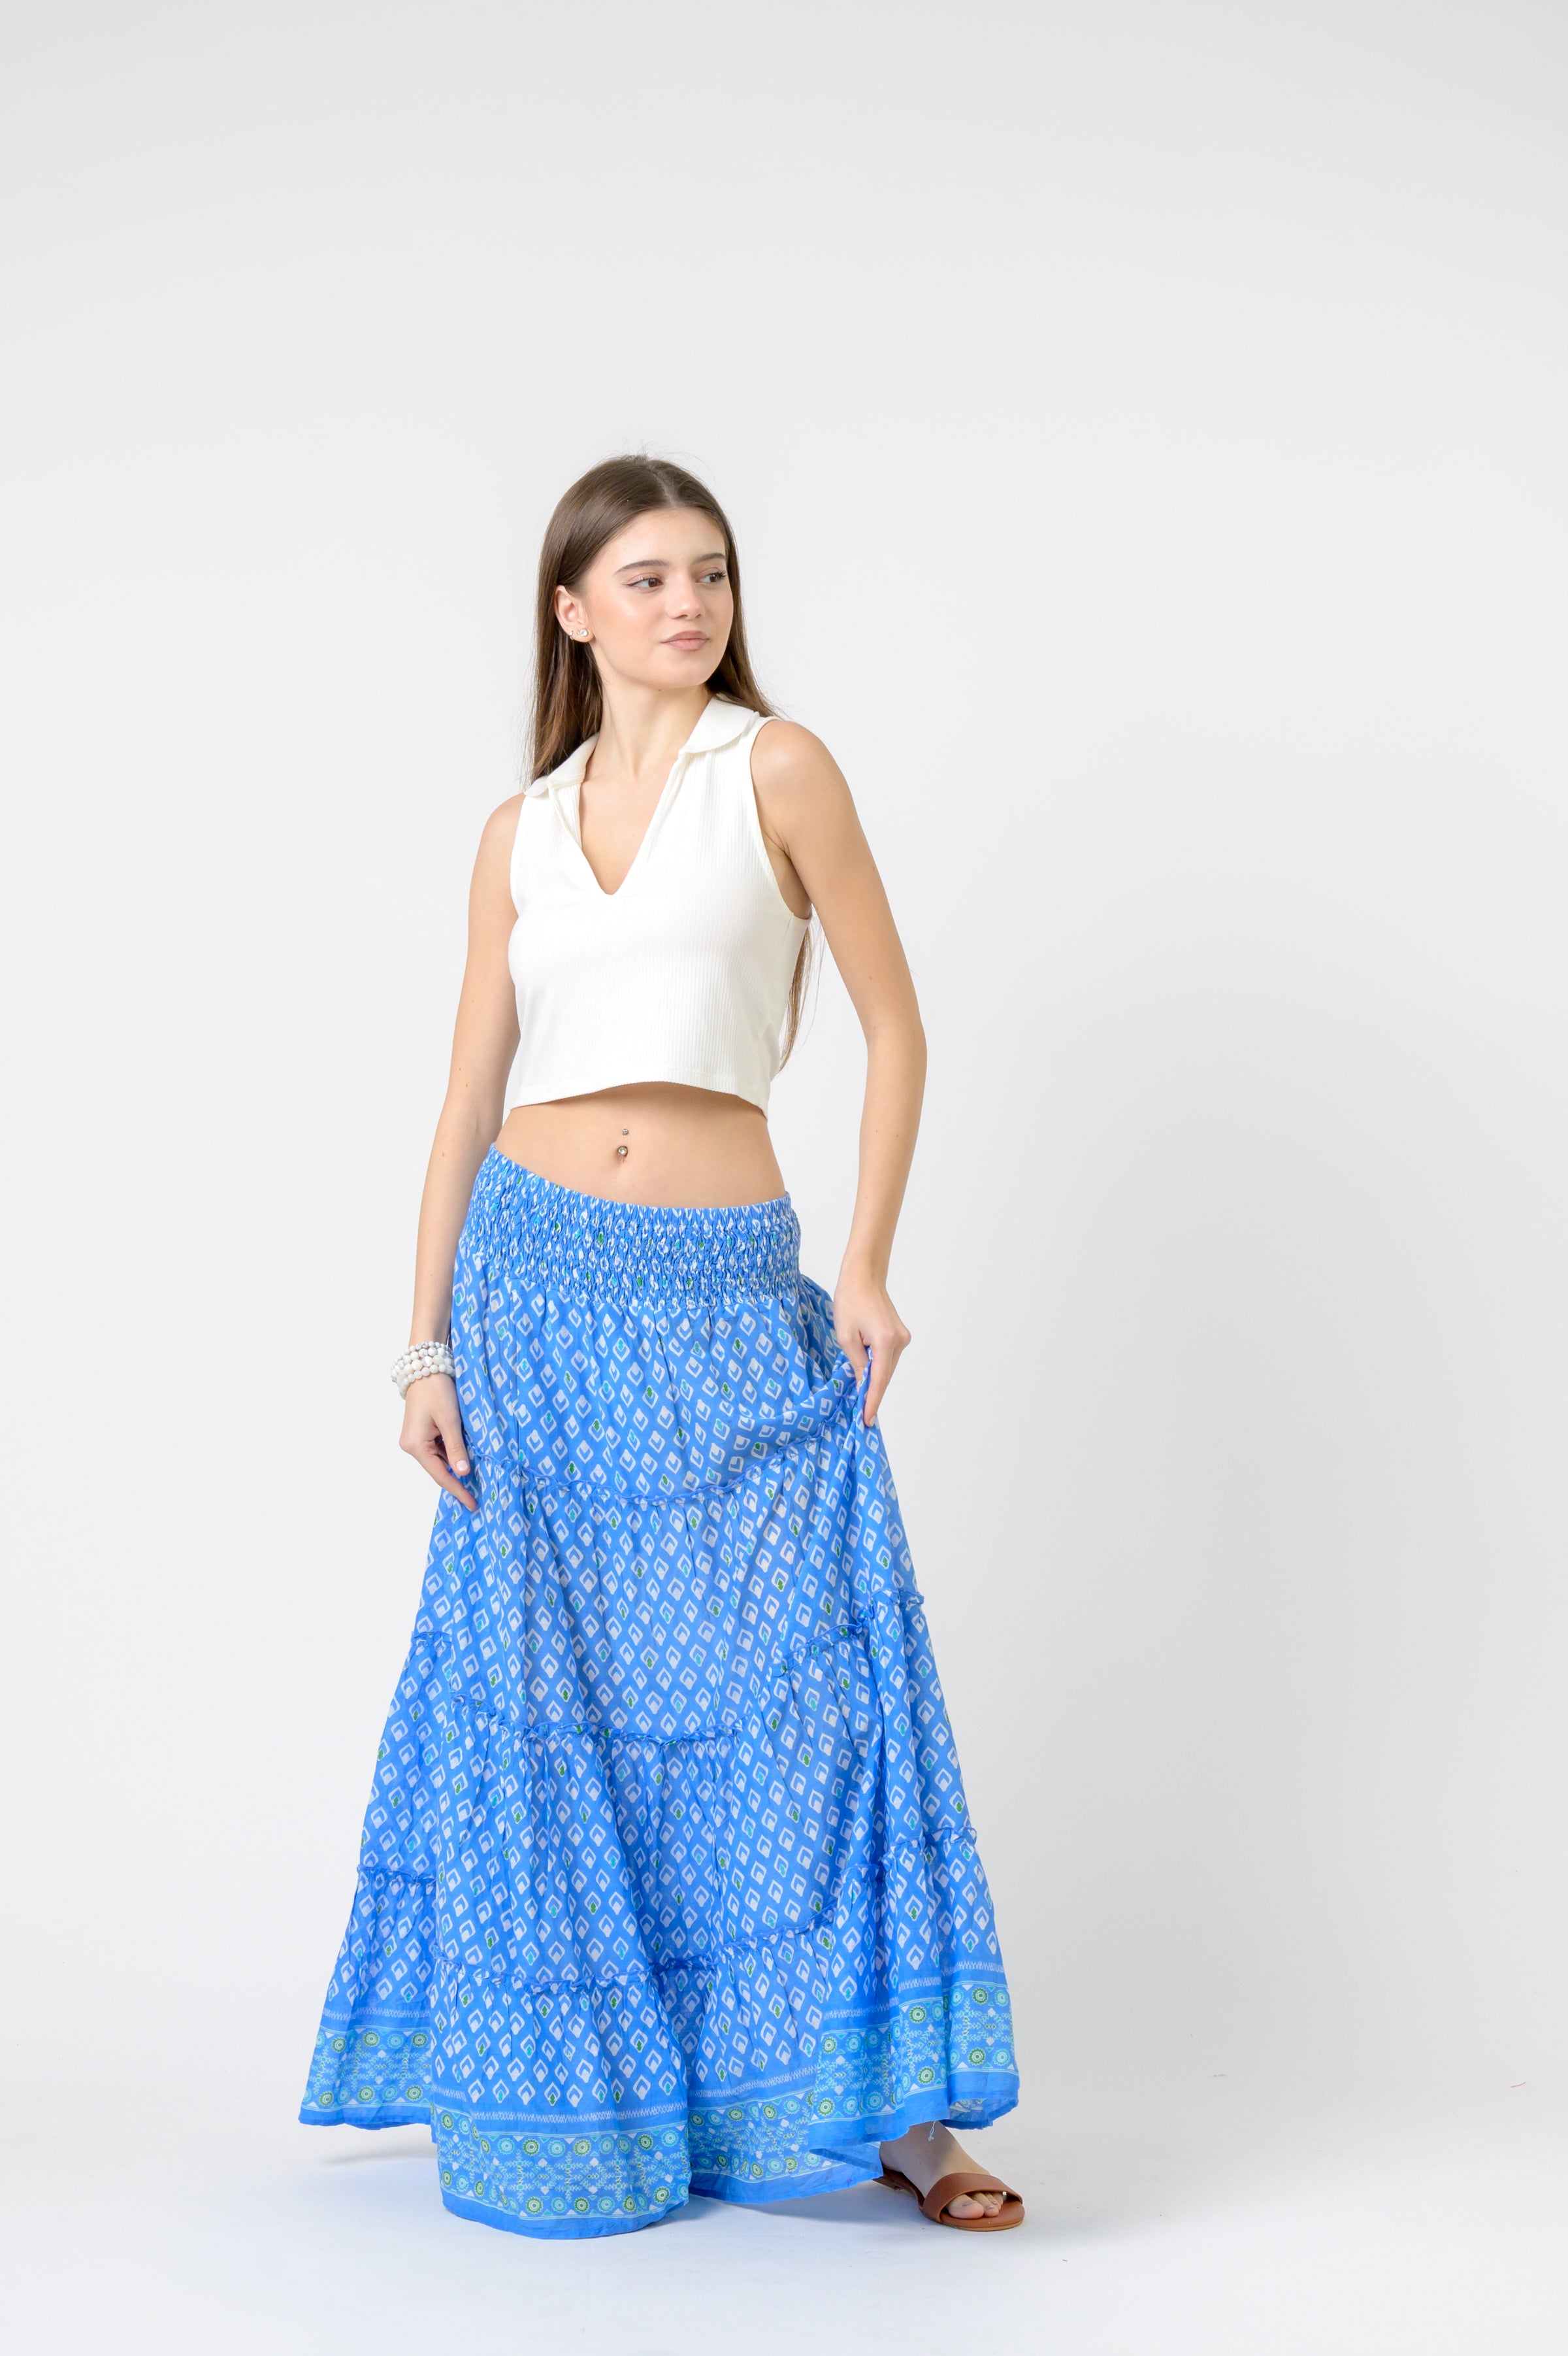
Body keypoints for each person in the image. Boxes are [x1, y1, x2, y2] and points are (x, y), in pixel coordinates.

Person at [299, 455, 1024, 2237]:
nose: (688, 603)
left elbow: (899, 1027)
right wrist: (422, 1349)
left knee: (810, 1691)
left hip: (722, 1283)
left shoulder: (777, 770)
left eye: (710, 573)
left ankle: (899, 2114)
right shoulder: (519, 830)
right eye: (646, 578)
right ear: (572, 612)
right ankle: (588, 2097)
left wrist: (865, 1264)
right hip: (532, 1290)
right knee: (554, 1708)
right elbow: (466, 1101)